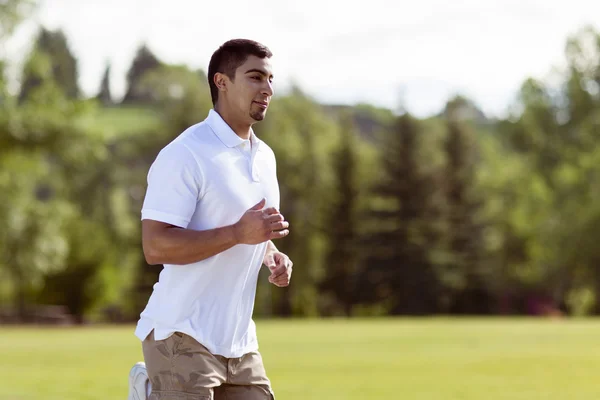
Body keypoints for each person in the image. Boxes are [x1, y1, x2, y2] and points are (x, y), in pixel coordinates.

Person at [127, 38, 293, 400]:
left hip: (239, 342)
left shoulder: (265, 157)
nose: (267, 89)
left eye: (270, 79)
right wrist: (237, 233)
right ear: (222, 82)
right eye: (255, 77)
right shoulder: (185, 153)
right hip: (181, 335)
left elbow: (248, 229)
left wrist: (271, 254)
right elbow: (155, 246)